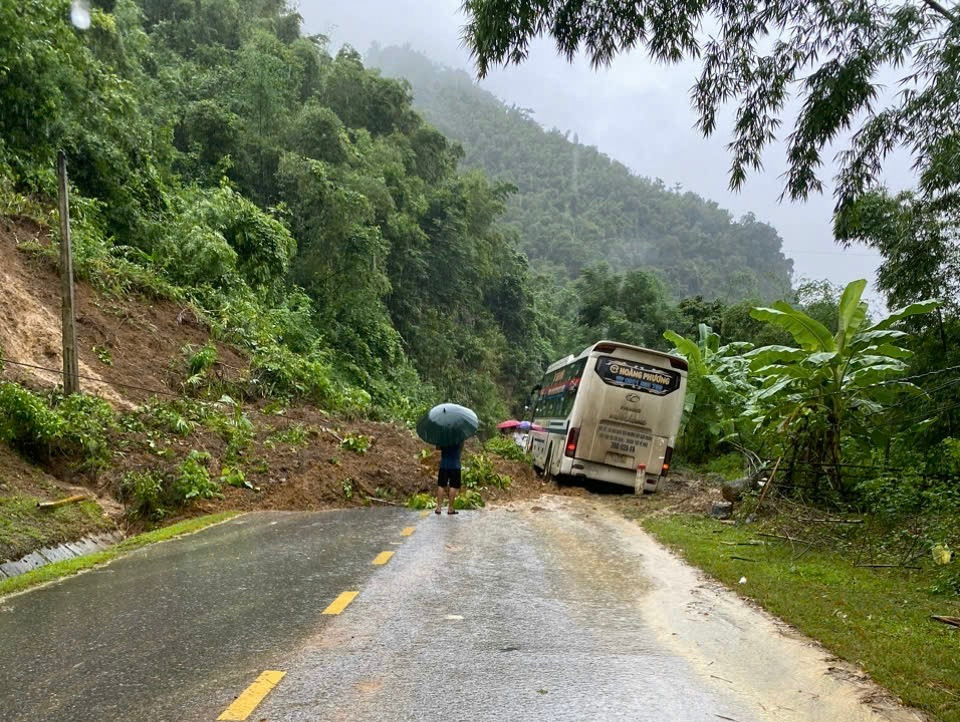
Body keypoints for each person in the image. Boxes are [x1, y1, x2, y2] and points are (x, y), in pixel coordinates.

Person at [436, 440, 464, 515]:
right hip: (455, 464)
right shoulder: (459, 436)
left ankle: (438, 508)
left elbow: (437, 447)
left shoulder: (444, 435)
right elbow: (461, 448)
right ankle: (450, 508)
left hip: (444, 464)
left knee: (441, 485)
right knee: (453, 486)